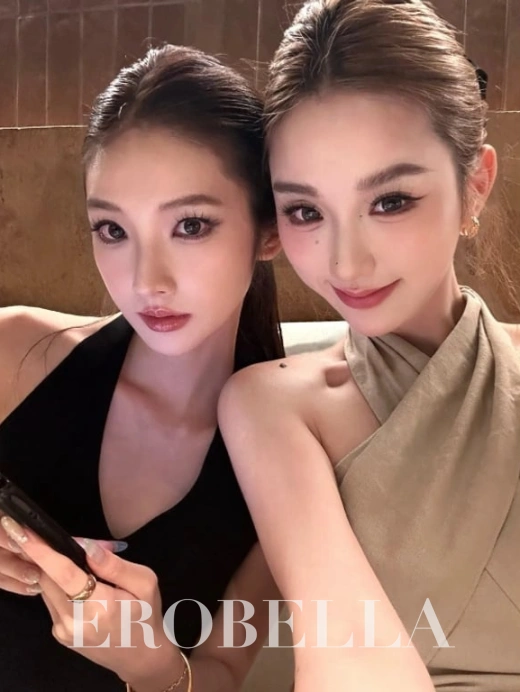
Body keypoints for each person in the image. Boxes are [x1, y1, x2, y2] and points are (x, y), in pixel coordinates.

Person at [218, 1, 520, 691]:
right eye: (305, 211)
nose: (345, 263)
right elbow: (346, 658)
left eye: (390, 201)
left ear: (475, 184)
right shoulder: (275, 406)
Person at [0, 45, 283, 691]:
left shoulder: (287, 450)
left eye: (191, 225)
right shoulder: (15, 351)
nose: (145, 279)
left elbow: (223, 670)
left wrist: (150, 663)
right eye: (112, 230)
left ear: (268, 229)